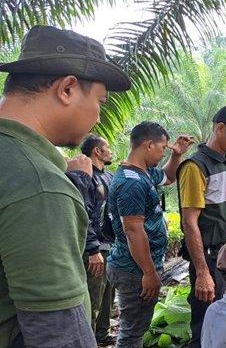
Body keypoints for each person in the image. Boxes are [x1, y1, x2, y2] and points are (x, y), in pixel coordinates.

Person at [0, 25, 130, 348]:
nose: (99, 117)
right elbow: (59, 334)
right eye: (100, 101)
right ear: (67, 89)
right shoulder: (39, 184)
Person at [176, 104, 226, 348]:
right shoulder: (195, 167)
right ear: (220, 128)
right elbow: (190, 223)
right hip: (213, 261)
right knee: (207, 326)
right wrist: (202, 272)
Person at [106, 121, 193, 348]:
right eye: (163, 148)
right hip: (134, 270)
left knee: (136, 329)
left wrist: (177, 155)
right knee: (132, 334)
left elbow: (168, 177)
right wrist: (149, 273)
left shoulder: (142, 173)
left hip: (136, 267)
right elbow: (133, 231)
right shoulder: (131, 183)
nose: (165, 151)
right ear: (148, 145)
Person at [64, 134, 118, 344]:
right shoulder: (86, 176)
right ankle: (89, 340)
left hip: (110, 246)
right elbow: (84, 214)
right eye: (107, 147)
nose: (110, 151)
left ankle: (102, 336)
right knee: (93, 297)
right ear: (97, 151)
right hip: (94, 250)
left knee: (108, 296)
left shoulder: (110, 177)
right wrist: (93, 249)